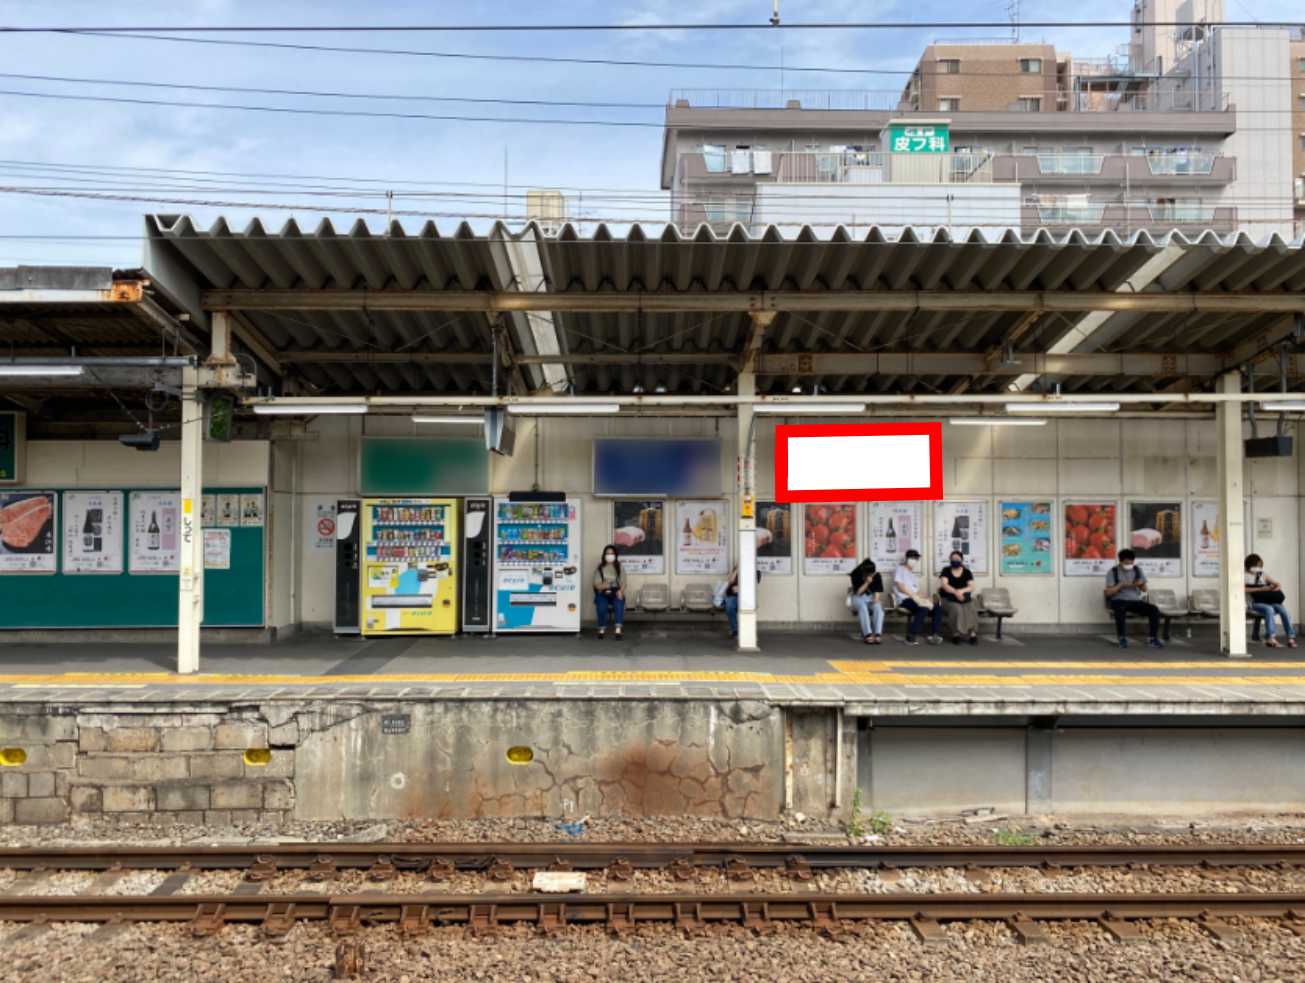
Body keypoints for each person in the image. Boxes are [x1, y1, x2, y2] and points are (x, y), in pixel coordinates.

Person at [1104, 548, 1163, 649]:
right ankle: (1122, 638)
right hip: (1118, 600)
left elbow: (1144, 589)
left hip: (1135, 601)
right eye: (1126, 563)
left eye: (1131, 563)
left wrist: (1141, 584)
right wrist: (1120, 585)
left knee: (1154, 609)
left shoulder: (1137, 570)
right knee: (1120, 609)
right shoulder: (1113, 572)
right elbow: (1108, 592)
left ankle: (1152, 638)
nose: (1129, 565)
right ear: (1121, 561)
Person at [1245, 553, 1297, 649]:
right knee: (1269, 609)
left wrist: (1275, 587)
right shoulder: (1244, 576)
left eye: (1259, 566)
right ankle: (1270, 637)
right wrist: (1260, 589)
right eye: (1256, 566)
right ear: (1250, 565)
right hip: (1254, 603)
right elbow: (1243, 589)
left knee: (1283, 610)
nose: (1258, 568)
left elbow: (1277, 584)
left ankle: (1291, 637)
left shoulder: (1263, 574)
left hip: (1267, 601)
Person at [893, 549, 943, 645]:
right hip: (904, 599)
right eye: (912, 558)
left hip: (914, 599)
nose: (914, 560)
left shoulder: (913, 575)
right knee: (923, 608)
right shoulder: (900, 569)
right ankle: (911, 636)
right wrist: (915, 597)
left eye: (916, 558)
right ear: (906, 558)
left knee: (937, 607)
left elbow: (917, 592)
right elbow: (900, 587)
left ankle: (935, 635)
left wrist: (927, 598)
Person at [938, 550, 978, 645]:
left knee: (971, 608)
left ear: (961, 560)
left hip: (964, 598)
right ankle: (956, 634)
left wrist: (961, 591)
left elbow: (972, 586)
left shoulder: (967, 572)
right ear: (950, 560)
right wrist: (956, 593)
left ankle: (972, 634)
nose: (955, 561)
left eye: (957, 559)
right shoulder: (946, 570)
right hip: (948, 598)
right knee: (956, 609)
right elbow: (944, 585)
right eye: (953, 559)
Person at [592, 544, 626, 638]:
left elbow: (624, 582)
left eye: (612, 553)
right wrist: (604, 585)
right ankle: (601, 628)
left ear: (615, 555)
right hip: (603, 592)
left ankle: (618, 629)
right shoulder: (600, 567)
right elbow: (596, 584)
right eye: (608, 553)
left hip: (616, 591)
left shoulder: (619, 566)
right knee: (601, 606)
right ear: (604, 555)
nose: (610, 555)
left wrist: (621, 591)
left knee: (619, 603)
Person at [849, 558, 885, 645]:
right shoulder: (856, 574)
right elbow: (858, 592)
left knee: (878, 609)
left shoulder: (876, 575)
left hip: (870, 597)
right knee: (863, 608)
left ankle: (877, 634)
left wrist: (876, 599)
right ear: (865, 572)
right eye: (870, 573)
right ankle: (867, 634)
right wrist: (867, 583)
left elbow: (877, 590)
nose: (872, 575)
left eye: (873, 573)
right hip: (858, 598)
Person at [722, 565, 762, 638]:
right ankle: (735, 630)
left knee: (747, 608)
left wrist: (741, 589)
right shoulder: (736, 570)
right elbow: (730, 581)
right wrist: (736, 570)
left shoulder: (754, 572)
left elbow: (753, 585)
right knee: (729, 607)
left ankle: (746, 630)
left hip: (745, 596)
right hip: (732, 595)